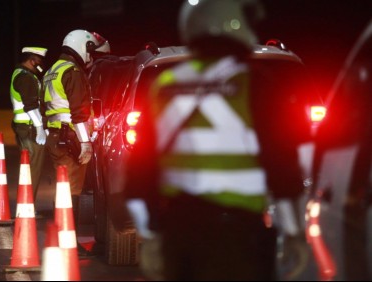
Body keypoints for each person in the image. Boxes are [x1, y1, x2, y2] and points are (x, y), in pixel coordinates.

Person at [123, 0, 307, 280]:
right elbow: (281, 165)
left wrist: (149, 237)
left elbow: (140, 172)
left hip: (179, 234)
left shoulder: (164, 86)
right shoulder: (255, 83)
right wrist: (294, 232)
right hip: (239, 236)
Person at [41, 29, 103, 256]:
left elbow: (45, 106)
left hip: (56, 137)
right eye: (90, 50)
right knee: (72, 192)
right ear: (80, 46)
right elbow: (79, 113)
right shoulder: (73, 71)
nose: (90, 56)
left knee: (63, 189)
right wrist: (85, 142)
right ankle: (68, 243)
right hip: (71, 138)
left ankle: (62, 237)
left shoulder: (52, 70)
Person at [9, 47, 49, 208]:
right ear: (32, 60)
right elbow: (31, 106)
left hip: (24, 126)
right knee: (33, 167)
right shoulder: (26, 78)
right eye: (39, 61)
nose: (41, 65)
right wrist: (40, 127)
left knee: (28, 166)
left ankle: (25, 204)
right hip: (29, 128)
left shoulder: (20, 74)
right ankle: (27, 206)